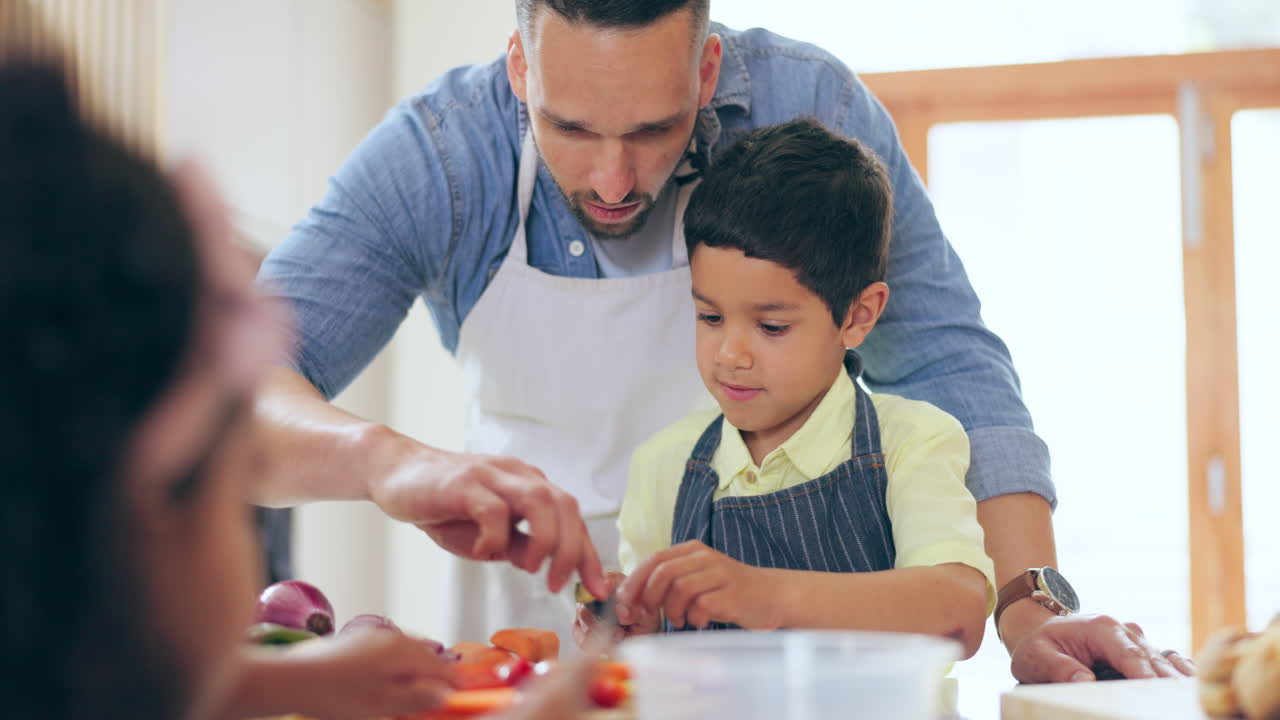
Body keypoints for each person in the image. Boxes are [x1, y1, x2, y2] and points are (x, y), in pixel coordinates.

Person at [254, 0, 1195, 682]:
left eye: (654, 129)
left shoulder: (809, 104)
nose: (615, 180)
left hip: (820, 679)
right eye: (570, 129)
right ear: (520, 70)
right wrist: (384, 460)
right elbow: (232, 395)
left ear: (704, 73)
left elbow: (947, 360)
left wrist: (1030, 604)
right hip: (537, 657)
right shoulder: (441, 157)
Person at [0, 58, 611, 720]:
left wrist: (278, 685)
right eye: (241, 485)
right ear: (153, 524)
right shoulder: (442, 150)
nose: (614, 177)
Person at [571, 119, 992, 660]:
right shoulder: (665, 466)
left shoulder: (911, 441)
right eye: (710, 316)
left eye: (771, 327)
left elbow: (956, 613)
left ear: (858, 316)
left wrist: (764, 594)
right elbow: (648, 663)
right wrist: (633, 631)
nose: (730, 355)